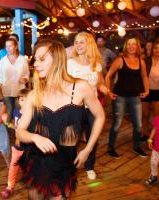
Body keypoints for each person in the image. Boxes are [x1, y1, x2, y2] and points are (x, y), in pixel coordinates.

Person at [16, 39, 105, 199]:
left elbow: (100, 116)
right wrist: (35, 137)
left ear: (57, 59)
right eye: (35, 59)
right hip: (38, 162)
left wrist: (88, 149)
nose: (35, 64)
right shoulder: (34, 94)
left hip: (65, 163)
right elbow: (20, 132)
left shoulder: (80, 88)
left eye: (42, 59)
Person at [67, 32, 107, 180]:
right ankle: (71, 166)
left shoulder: (96, 65)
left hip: (92, 107)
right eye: (76, 42)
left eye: (82, 42)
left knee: (92, 138)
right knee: (72, 139)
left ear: (89, 44)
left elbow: (100, 83)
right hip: (75, 107)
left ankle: (89, 165)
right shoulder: (69, 64)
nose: (78, 45)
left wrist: (104, 88)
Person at [105, 36, 149, 158]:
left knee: (138, 125)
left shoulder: (141, 61)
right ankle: (111, 148)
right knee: (117, 123)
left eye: (134, 44)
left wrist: (147, 90)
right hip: (120, 97)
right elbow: (108, 76)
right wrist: (108, 91)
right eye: (129, 44)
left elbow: (145, 76)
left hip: (135, 97)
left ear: (137, 46)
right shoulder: (120, 60)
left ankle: (136, 147)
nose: (131, 46)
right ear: (125, 46)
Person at [0, 88, 30, 199]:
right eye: (22, 99)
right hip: (18, 145)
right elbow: (16, 128)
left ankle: (30, 181)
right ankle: (10, 187)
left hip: (30, 147)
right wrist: (7, 123)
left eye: (27, 100)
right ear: (18, 100)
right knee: (13, 166)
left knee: (29, 166)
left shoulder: (34, 114)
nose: (24, 102)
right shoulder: (16, 112)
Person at [0, 38, 29, 122]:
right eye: (6, 46)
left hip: (19, 90)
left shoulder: (22, 60)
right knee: (9, 111)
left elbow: (27, 73)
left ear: (16, 46)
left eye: (10, 46)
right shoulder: (3, 60)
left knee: (18, 111)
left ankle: (17, 131)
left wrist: (25, 79)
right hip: (6, 90)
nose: (8, 48)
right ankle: (9, 132)